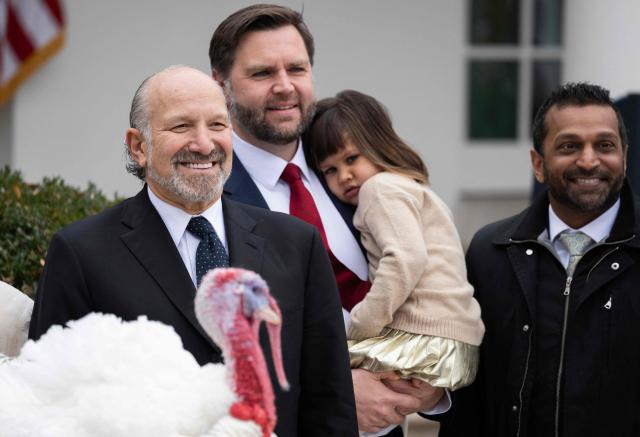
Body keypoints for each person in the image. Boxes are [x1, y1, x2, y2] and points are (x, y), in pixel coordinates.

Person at [28, 66, 357, 437]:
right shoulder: (81, 253)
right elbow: (50, 404)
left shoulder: (297, 244)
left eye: (217, 125)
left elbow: (329, 403)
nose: (204, 144)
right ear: (138, 146)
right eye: (181, 127)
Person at [208, 4, 447, 435]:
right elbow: (208, 347)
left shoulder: (352, 171)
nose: (285, 87)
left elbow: (431, 281)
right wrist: (334, 393)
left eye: (296, 69)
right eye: (262, 73)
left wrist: (434, 388)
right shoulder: (206, 196)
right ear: (220, 85)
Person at [439, 82, 640, 437]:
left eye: (605, 145)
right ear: (538, 163)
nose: (589, 160)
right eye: (569, 146)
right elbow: (469, 391)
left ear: (624, 156)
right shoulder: (491, 251)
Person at [304, 89, 484, 393]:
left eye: (351, 159)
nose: (345, 176)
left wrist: (361, 325)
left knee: (316, 369)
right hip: (455, 343)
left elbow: (405, 260)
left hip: (425, 340)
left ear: (377, 145)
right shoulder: (410, 188)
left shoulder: (379, 189)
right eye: (330, 170)